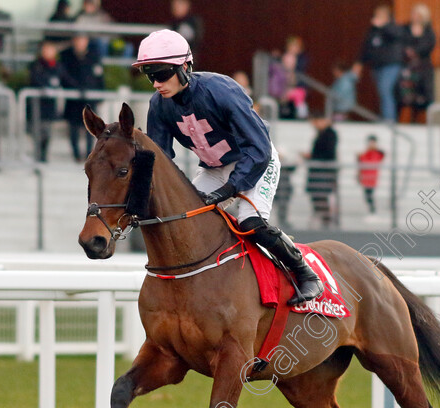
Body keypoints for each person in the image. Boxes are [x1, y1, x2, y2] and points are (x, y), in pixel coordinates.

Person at [133, 29, 323, 305]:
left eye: (161, 74)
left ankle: (305, 273)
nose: (156, 84)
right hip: (213, 168)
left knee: (250, 222)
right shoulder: (158, 105)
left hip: (255, 162)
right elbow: (160, 159)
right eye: (150, 76)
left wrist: (230, 189)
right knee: (183, 216)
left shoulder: (222, 90)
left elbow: (258, 147)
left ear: (185, 66)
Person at [354, 4, 404, 122]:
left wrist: (383, 26)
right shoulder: (373, 30)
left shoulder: (393, 27)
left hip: (390, 65)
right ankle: (384, 115)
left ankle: (389, 119)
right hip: (377, 66)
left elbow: (396, 35)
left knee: (385, 89)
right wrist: (359, 62)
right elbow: (366, 47)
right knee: (381, 92)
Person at [61, 34, 104, 162]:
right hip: (73, 100)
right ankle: (76, 154)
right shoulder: (67, 56)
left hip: (89, 99)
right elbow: (64, 76)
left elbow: (99, 77)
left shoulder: (93, 57)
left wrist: (99, 94)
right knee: (73, 127)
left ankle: (88, 154)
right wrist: (75, 88)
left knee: (90, 128)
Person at [28, 41, 65, 162]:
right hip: (36, 105)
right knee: (36, 132)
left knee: (47, 133)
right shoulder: (35, 65)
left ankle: (43, 156)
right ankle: (38, 156)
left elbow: (65, 79)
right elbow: (34, 79)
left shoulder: (58, 66)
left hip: (49, 106)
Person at [399, 3, 436, 123]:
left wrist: (416, 51)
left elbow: (429, 45)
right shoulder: (405, 29)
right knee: (407, 96)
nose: (414, 17)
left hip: (423, 67)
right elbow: (401, 43)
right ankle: (407, 120)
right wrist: (407, 51)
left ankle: (424, 121)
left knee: (425, 95)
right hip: (408, 67)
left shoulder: (428, 31)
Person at [303, 113, 338, 229]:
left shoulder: (330, 134)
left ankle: (326, 220)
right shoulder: (323, 134)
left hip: (323, 172)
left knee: (321, 196)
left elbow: (328, 153)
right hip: (318, 172)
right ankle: (323, 218)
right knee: (317, 196)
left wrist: (312, 156)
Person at [357, 135, 384, 214]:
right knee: (367, 195)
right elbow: (361, 164)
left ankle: (372, 209)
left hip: (372, 177)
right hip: (365, 177)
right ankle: (372, 209)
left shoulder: (378, 153)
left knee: (369, 194)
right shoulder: (365, 153)